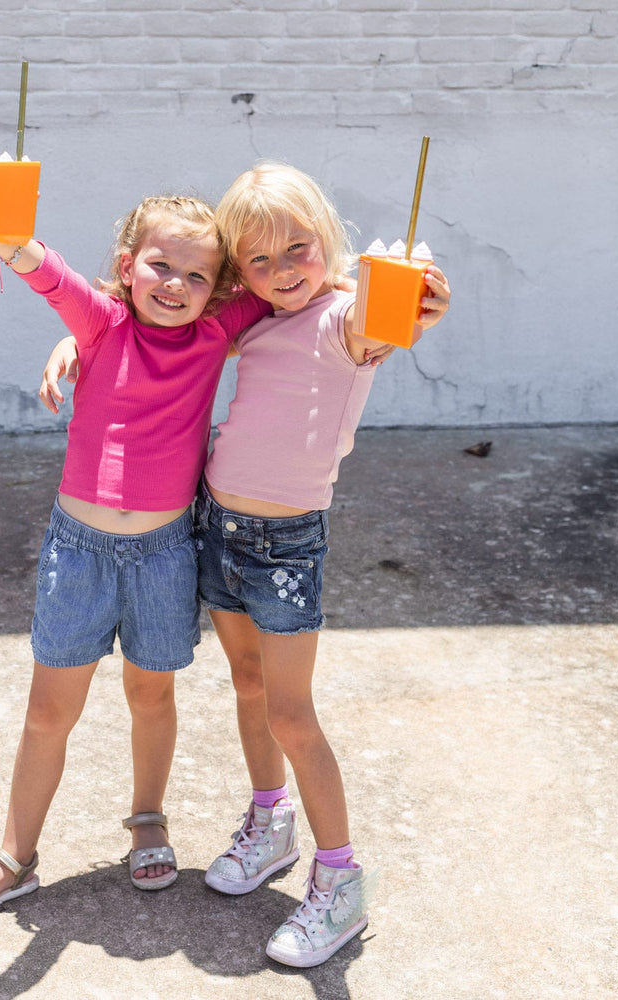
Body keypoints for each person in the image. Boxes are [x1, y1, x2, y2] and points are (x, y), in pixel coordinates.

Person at [0, 181, 274, 926]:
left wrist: (387, 293)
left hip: (163, 553)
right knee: (49, 711)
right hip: (79, 552)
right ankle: (13, 858)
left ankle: (147, 818)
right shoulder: (98, 324)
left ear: (216, 288)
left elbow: (296, 287)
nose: (177, 287)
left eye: (197, 276)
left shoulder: (216, 331)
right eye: (161, 266)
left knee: (151, 694)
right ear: (127, 266)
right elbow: (44, 271)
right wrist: (7, 239)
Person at [191, 162, 451, 967]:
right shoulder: (256, 319)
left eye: (297, 249)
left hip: (285, 548)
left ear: (325, 241)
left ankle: (340, 883)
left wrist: (414, 302)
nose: (282, 272)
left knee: (292, 714)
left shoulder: (346, 317)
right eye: (260, 261)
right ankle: (271, 825)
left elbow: (388, 322)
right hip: (218, 526)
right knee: (246, 685)